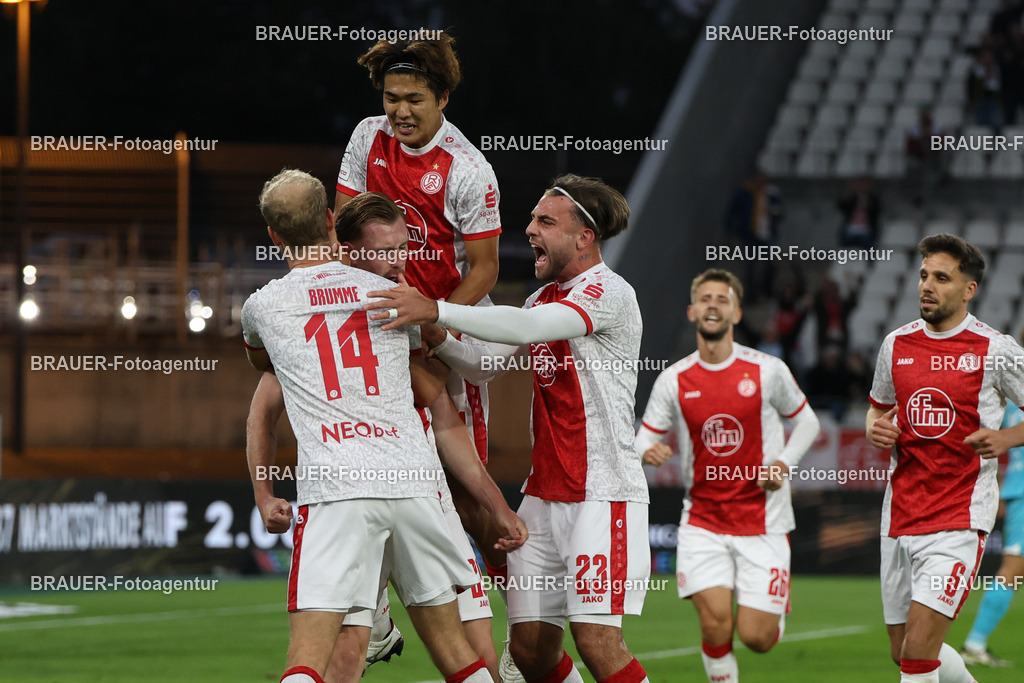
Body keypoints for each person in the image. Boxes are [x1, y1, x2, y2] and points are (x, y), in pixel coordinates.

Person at [364, 174, 653, 683]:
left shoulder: (609, 292)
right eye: (533, 219)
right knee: (529, 653)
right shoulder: (542, 298)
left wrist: (438, 308)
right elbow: (484, 366)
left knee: (597, 642)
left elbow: (526, 329)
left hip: (602, 493)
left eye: (546, 222)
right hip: (543, 496)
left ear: (584, 237)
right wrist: (436, 334)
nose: (530, 229)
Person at [241, 171, 523, 683]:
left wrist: (263, 492)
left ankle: (376, 627)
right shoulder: (396, 297)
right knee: (459, 656)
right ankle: (382, 626)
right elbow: (447, 395)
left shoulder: (261, 306)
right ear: (331, 222)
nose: (397, 258)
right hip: (414, 486)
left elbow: (262, 366)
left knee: (308, 659)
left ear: (273, 236)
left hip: (339, 491)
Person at [332, 34, 514, 659]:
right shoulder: (367, 137)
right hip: (381, 332)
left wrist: (439, 326)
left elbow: (486, 268)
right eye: (391, 98)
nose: (400, 111)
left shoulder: (468, 169)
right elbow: (345, 234)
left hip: (440, 336)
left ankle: (521, 630)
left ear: (443, 98)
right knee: (369, 474)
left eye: (414, 98)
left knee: (467, 500)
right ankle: (378, 616)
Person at [634, 268, 821, 683]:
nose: (713, 305)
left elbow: (807, 422)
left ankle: (773, 612)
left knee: (756, 638)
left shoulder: (767, 369)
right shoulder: (674, 379)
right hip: (703, 521)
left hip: (764, 520)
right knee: (715, 623)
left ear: (736, 313)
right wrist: (646, 449)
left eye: (722, 299)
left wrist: (783, 464)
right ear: (692, 311)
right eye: (705, 298)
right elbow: (643, 435)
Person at [866, 234, 1024, 683]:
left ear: (969, 289)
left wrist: (1007, 438)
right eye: (923, 275)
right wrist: (875, 428)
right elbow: (877, 409)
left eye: (941, 277)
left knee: (918, 654)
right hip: (899, 516)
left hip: (958, 518)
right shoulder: (896, 344)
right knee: (904, 651)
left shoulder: (995, 349)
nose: (927, 286)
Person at [960, 377, 1024, 667]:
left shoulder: (1011, 396)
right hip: (1023, 492)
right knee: (1013, 570)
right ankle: (975, 644)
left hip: (1017, 487)